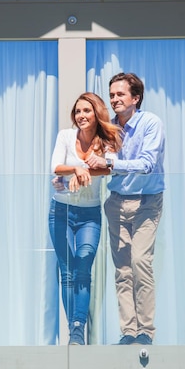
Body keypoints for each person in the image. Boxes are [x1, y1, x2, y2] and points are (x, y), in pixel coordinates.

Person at [85, 72, 165, 346]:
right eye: (112, 95)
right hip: (117, 202)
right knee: (122, 271)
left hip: (147, 200)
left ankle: (146, 332)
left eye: (120, 94)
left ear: (136, 98)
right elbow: (95, 163)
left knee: (140, 262)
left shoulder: (151, 123)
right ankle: (128, 333)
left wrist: (110, 163)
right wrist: (69, 173)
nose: (115, 99)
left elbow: (147, 164)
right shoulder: (109, 128)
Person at [48, 92, 122, 345]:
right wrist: (77, 168)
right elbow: (55, 167)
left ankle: (78, 326)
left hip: (90, 214)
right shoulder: (66, 136)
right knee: (67, 271)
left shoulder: (106, 141)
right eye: (78, 111)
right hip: (60, 212)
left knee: (83, 265)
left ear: (97, 113)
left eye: (86, 111)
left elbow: (110, 167)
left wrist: (85, 169)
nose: (81, 116)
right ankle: (76, 331)